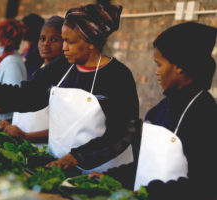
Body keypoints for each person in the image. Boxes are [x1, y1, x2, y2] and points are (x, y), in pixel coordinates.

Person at [0, 3, 139, 174]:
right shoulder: (61, 67)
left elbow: (123, 131)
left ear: (92, 42)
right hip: (58, 166)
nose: (64, 47)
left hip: (101, 172)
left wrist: (79, 157)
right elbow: (23, 97)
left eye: (70, 42)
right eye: (63, 40)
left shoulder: (117, 76)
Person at [89, 22, 217, 200]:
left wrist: (150, 193)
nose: (156, 72)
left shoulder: (206, 115)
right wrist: (111, 177)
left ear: (179, 66)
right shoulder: (159, 112)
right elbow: (145, 164)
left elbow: (203, 185)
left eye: (159, 64)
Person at [0, 16, 64, 145]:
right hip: (23, 146)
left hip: (42, 151)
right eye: (42, 39)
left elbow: (63, 129)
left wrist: (25, 135)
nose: (46, 43)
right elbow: (23, 101)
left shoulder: (65, 78)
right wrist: (12, 126)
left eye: (54, 39)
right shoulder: (40, 70)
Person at [21, 13, 45, 80]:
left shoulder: (38, 51)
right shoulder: (27, 49)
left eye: (24, 27)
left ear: (32, 28)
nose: (21, 30)